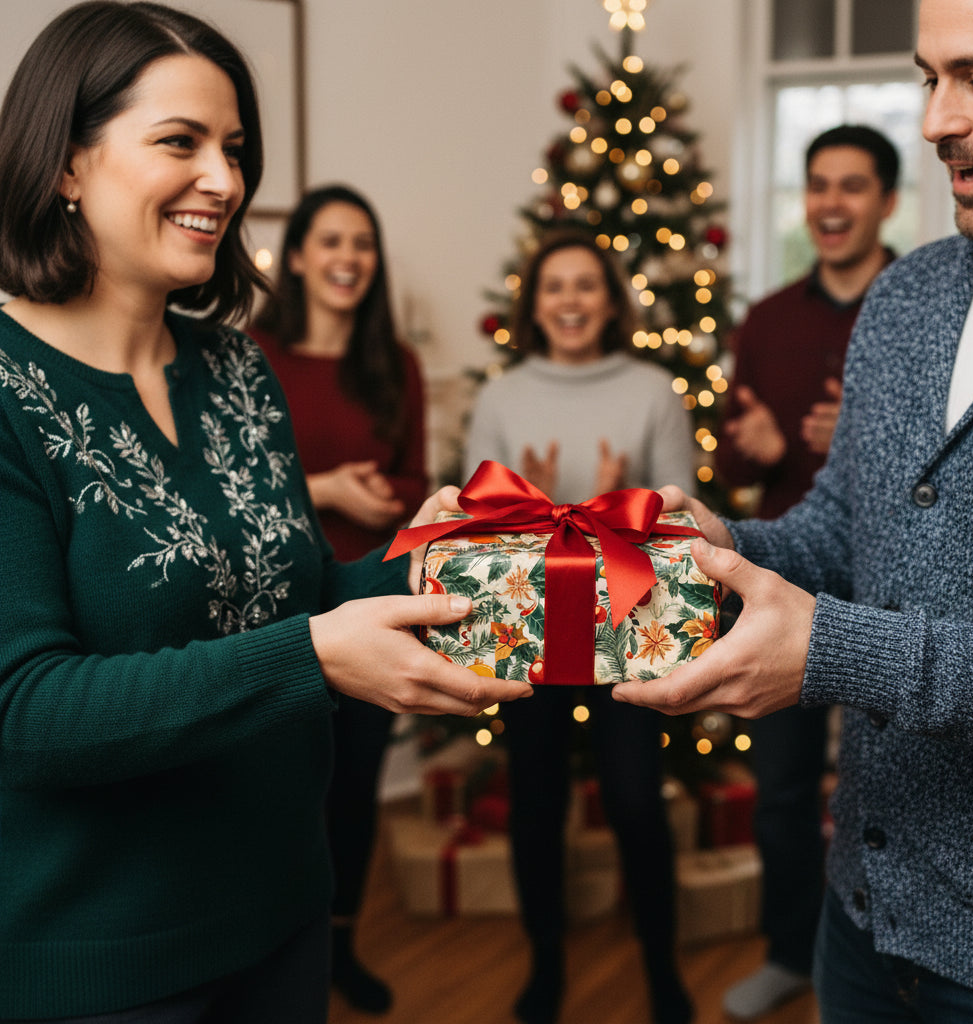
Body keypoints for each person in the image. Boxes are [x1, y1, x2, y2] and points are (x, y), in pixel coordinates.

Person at [0, 4, 529, 1022]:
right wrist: (315, 657)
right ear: (67, 164)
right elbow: (24, 710)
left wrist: (428, 558)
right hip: (103, 967)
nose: (226, 182)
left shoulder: (236, 365)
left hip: (284, 919)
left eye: (234, 149)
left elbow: (300, 599)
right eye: (180, 143)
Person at [614, 0, 973, 1019]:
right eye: (929, 77)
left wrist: (836, 651)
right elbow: (839, 530)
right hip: (862, 920)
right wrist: (726, 543)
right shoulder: (907, 299)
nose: (932, 120)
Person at [463, 229, 696, 1024]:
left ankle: (663, 973)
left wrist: (615, 501)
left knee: (636, 803)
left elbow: (682, 524)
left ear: (610, 300)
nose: (568, 300)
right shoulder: (499, 397)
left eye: (586, 286)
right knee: (535, 804)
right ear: (532, 303)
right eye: (553, 286)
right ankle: (545, 970)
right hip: (532, 644)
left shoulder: (655, 390)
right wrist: (527, 508)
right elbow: (479, 538)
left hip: (629, 640)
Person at [714, 124, 900, 1021]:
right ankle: (793, 950)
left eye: (852, 187)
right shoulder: (767, 322)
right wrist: (761, 452)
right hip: (785, 585)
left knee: (898, 784)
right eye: (818, 185)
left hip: (903, 600)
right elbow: (736, 470)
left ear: (888, 202)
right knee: (783, 788)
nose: (831, 204)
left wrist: (860, 446)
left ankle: (892, 958)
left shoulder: (915, 308)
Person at [248, 183, 427, 1014]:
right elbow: (239, 488)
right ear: (296, 257)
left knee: (355, 789)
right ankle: (277, 950)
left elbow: (416, 480)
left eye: (363, 243)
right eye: (331, 242)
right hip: (283, 612)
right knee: (285, 793)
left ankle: (340, 949)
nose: (349, 258)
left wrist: (390, 502)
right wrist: (328, 491)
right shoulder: (250, 357)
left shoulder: (398, 363)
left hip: (382, 610)